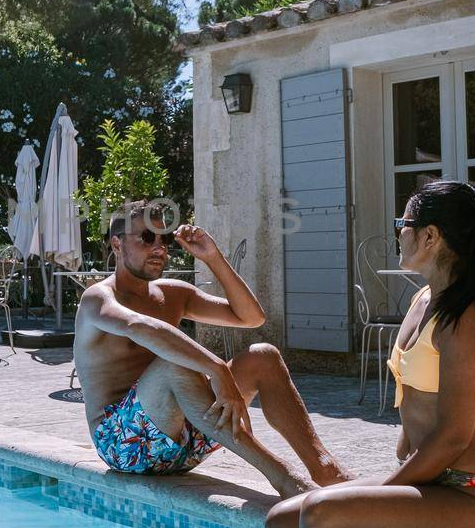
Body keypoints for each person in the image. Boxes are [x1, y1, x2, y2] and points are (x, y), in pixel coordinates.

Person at [266, 180, 475, 528]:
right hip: (428, 481)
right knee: (282, 522)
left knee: (323, 514)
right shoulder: (423, 300)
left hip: (470, 494)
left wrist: (388, 486)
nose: (397, 231)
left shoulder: (469, 318)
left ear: (430, 236)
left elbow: (454, 437)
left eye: (403, 222)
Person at [73, 202, 351, 497]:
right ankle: (285, 478)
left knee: (263, 356)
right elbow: (139, 327)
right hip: (124, 446)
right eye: (146, 237)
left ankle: (325, 469)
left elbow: (251, 317)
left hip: (188, 438)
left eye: (165, 239)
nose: (159, 247)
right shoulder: (99, 299)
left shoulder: (173, 294)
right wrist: (217, 369)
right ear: (117, 243)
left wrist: (214, 258)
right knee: (173, 364)